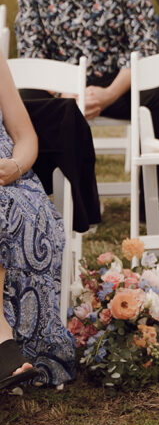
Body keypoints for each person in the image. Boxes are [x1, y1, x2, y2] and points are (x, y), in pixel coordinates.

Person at [15, 0, 159, 233]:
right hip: (58, 84)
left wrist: (108, 94)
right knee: (25, 98)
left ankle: (151, 205)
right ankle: (70, 204)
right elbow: (30, 50)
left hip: (117, 80)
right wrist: (66, 93)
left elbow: (143, 44)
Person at [0, 51, 77, 389]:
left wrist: (15, 166)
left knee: (23, 213)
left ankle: (14, 346)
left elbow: (26, 136)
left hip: (8, 176)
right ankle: (3, 341)